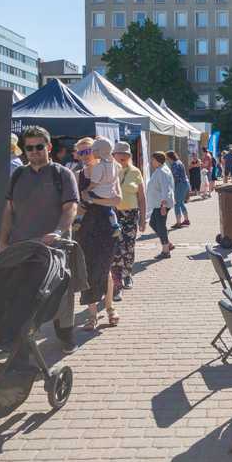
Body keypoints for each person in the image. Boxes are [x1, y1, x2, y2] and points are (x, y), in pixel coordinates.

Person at [0, 125, 81, 354]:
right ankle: (23, 338)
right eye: (29, 148)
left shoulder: (62, 174)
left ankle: (66, 335)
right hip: (22, 245)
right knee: (22, 292)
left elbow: (71, 207)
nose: (34, 151)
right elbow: (8, 210)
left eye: (39, 147)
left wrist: (59, 231)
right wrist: (2, 241)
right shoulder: (18, 175)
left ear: (49, 147)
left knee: (61, 293)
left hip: (55, 246)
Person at [72, 137, 123, 330]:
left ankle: (109, 307)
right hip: (85, 226)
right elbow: (74, 203)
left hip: (105, 226)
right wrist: (80, 210)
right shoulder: (78, 175)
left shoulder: (111, 170)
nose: (85, 156)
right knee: (87, 269)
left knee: (105, 268)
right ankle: (92, 314)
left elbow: (117, 200)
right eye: (81, 152)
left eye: (88, 151)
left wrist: (92, 201)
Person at [110, 141, 146, 301]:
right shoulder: (109, 170)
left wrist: (143, 219)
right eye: (120, 154)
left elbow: (142, 197)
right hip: (113, 214)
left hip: (131, 215)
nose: (123, 156)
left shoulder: (135, 171)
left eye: (126, 154)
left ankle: (127, 274)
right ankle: (117, 284)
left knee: (129, 246)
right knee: (116, 248)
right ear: (114, 155)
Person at [82, 137, 121, 238]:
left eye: (93, 150)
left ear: (100, 151)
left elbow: (94, 183)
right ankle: (115, 225)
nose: (91, 153)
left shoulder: (99, 166)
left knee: (84, 200)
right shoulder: (115, 165)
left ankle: (79, 218)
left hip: (99, 193)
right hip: (110, 193)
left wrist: (87, 191)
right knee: (108, 209)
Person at [144, 152, 175, 259]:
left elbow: (166, 189)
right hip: (158, 203)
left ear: (157, 160)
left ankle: (166, 250)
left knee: (161, 225)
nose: (151, 162)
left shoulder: (162, 171)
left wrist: (163, 205)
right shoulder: (160, 169)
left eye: (152, 160)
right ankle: (167, 243)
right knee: (153, 223)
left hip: (161, 204)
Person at [167, 151, 191, 229]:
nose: (167, 160)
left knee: (177, 203)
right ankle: (186, 220)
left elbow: (175, 177)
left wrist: (171, 187)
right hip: (185, 184)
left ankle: (178, 223)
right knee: (181, 203)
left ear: (170, 157)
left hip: (180, 184)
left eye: (167, 158)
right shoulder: (179, 162)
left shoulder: (174, 164)